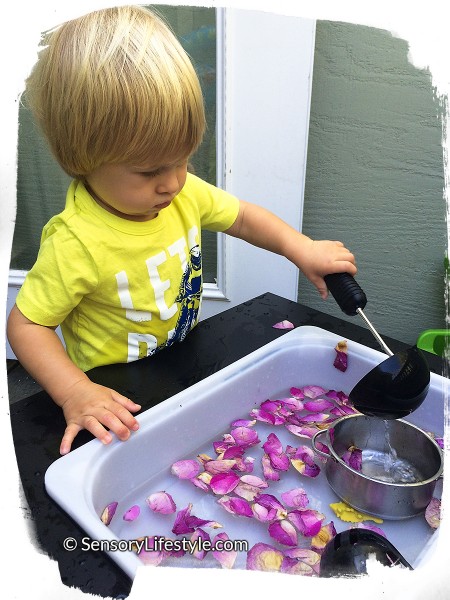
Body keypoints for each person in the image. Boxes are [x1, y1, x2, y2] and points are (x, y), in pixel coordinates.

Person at [7, 5, 357, 455]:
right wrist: (74, 391)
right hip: (113, 390)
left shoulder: (182, 191)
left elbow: (243, 217)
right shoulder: (77, 241)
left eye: (183, 159)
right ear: (81, 159)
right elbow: (27, 325)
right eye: (151, 170)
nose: (173, 182)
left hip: (183, 355)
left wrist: (300, 247)